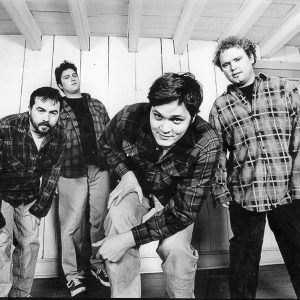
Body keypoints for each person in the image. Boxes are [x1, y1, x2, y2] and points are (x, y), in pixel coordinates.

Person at [93, 72, 220, 298]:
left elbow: (181, 214)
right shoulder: (129, 115)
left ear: (192, 117)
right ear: (150, 107)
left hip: (175, 203)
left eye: (176, 120)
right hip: (137, 190)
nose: (164, 128)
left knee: (176, 251)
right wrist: (126, 173)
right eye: (158, 116)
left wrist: (126, 240)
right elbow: (105, 145)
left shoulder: (207, 141)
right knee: (117, 219)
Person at [209, 35, 300, 299]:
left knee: (298, 250)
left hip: (288, 189)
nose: (233, 67)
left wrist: (297, 184)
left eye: (237, 59)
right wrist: (220, 189)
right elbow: (216, 152)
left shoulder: (285, 88)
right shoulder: (220, 107)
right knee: (243, 258)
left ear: (251, 57)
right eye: (226, 64)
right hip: (245, 192)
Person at [0, 87, 66, 297]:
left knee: (29, 245)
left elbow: (52, 174)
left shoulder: (59, 135)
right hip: (2, 194)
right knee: (0, 244)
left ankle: (21, 294)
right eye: (40, 110)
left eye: (53, 112)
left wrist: (39, 210)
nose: (46, 117)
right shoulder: (6, 127)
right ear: (29, 109)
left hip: (29, 195)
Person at [55, 61, 110, 297]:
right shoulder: (56, 107)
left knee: (100, 220)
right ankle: (72, 274)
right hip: (70, 171)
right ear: (60, 85)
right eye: (67, 77)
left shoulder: (96, 104)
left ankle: (98, 266)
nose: (73, 78)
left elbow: (110, 134)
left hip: (100, 169)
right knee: (71, 225)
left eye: (74, 74)